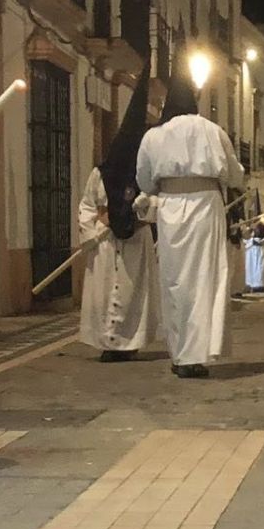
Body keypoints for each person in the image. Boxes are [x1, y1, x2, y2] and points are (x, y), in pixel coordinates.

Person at [137, 51, 245, 377]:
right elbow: (235, 175)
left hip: (171, 206)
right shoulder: (213, 131)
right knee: (206, 279)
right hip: (207, 206)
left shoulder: (154, 135)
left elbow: (144, 178)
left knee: (174, 281)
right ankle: (198, 353)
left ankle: (180, 352)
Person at [77, 37, 159, 363]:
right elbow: (86, 205)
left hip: (134, 243)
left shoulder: (146, 175)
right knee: (105, 293)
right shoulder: (100, 174)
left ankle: (129, 342)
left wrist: (138, 216)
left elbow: (154, 205)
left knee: (131, 293)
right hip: (106, 243)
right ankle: (108, 344)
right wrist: (99, 222)